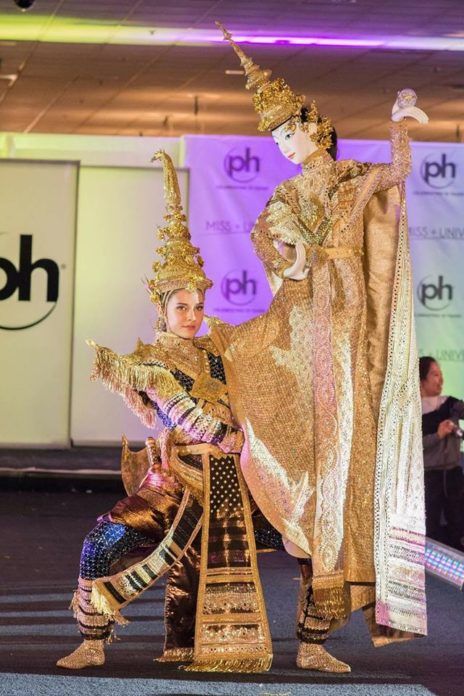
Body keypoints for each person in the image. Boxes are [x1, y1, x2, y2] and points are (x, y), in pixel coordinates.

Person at [210, 23, 428, 670]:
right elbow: (270, 244)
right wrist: (292, 261)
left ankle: (325, 611)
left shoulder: (353, 177)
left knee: (351, 431)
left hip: (349, 311)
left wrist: (399, 123)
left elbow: (399, 171)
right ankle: (304, 512)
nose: (284, 145)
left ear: (315, 127)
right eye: (276, 138)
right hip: (309, 309)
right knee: (306, 418)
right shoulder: (285, 194)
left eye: (289, 132)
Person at [56, 151, 272, 673]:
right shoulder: (150, 363)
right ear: (161, 308)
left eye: (198, 306)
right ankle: (92, 640)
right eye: (182, 307)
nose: (193, 316)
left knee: (303, 539)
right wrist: (230, 436)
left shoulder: (219, 350)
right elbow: (186, 414)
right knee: (100, 543)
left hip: (231, 484)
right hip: (171, 485)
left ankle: (312, 645)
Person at [420, 356, 464, 550]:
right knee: (432, 529)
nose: (441, 379)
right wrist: (438, 435)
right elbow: (414, 447)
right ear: (422, 380)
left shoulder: (451, 404)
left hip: (454, 476)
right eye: (435, 374)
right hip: (430, 479)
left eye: (441, 374)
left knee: (458, 526)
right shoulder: (413, 412)